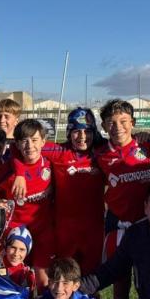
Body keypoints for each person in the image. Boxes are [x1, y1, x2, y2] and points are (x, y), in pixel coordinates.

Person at [93, 99, 150, 299]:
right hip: (118, 227)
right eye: (111, 122)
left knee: (148, 287)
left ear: (133, 122)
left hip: (148, 227)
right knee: (120, 288)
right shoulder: (99, 155)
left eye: (123, 121)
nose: (117, 127)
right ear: (103, 126)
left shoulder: (148, 146)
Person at [44, 108, 106, 275]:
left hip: (94, 229)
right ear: (69, 132)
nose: (82, 137)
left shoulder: (102, 152)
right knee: (64, 275)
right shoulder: (59, 152)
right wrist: (21, 173)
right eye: (77, 131)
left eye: (87, 131)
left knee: (91, 279)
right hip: (65, 229)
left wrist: (142, 137)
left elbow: (127, 146)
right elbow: (22, 144)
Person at [0, 119, 56, 287]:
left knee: (43, 281)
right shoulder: (8, 169)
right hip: (16, 231)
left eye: (34, 140)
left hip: (43, 231)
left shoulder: (50, 165)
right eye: (24, 141)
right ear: (17, 144)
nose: (30, 145)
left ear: (43, 142)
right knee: (12, 280)